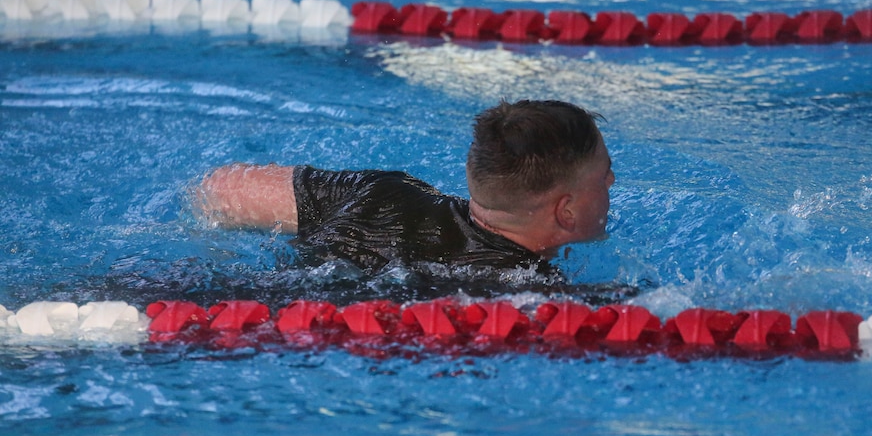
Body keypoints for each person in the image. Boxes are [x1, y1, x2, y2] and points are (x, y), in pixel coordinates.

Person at [195, 99, 615, 298]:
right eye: (603, 175)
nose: (612, 181)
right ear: (567, 210)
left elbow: (219, 189)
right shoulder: (533, 293)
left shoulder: (382, 192)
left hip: (216, 295)